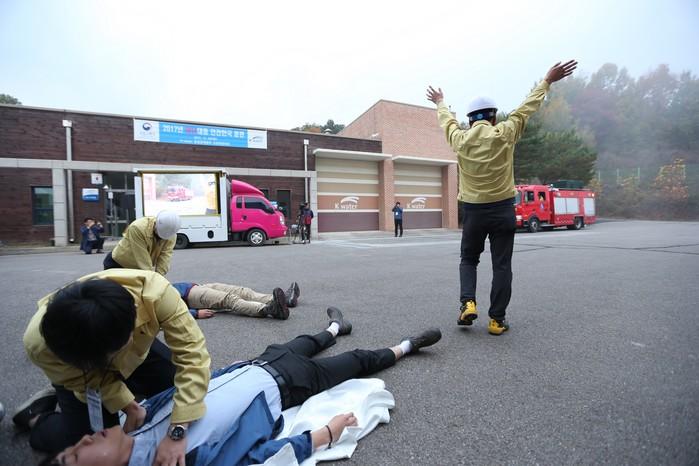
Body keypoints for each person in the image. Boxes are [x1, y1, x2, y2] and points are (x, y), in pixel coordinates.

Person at [43, 308, 442, 466]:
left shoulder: (136, 425)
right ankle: (407, 346)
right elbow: (254, 457)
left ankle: (335, 326)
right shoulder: (178, 462)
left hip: (254, 364)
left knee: (304, 341)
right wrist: (325, 434)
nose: (83, 440)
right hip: (287, 385)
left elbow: (187, 390)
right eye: (76, 457)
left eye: (71, 447)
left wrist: (139, 410)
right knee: (355, 362)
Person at [426, 60, 577, 335]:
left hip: (473, 212)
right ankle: (496, 320)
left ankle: (468, 303)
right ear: (493, 118)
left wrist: (440, 102)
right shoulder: (505, 133)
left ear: (470, 120)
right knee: (502, 265)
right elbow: (526, 109)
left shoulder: (460, 140)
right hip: (503, 211)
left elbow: (447, 121)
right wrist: (547, 81)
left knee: (468, 259)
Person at [16, 269, 211, 463]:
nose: (108, 366)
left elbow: (193, 357)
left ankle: (132, 387)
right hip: (83, 378)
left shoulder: (156, 294)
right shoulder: (40, 344)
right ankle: (37, 417)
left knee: (184, 391)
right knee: (88, 444)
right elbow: (80, 379)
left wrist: (177, 430)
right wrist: (128, 406)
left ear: (130, 327)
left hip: (138, 351)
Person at [103, 211, 180, 276]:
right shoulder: (138, 228)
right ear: (156, 223)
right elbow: (143, 259)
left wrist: (159, 277)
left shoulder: (171, 236)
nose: (162, 238)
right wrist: (153, 279)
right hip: (118, 264)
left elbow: (165, 257)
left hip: (136, 269)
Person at [175, 281, 300, 320]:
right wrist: (195, 313)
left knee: (243, 292)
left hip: (197, 287)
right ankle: (269, 310)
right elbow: (167, 311)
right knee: (230, 299)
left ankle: (284, 300)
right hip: (190, 297)